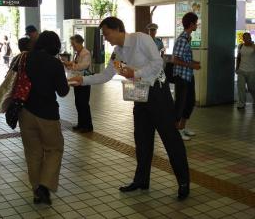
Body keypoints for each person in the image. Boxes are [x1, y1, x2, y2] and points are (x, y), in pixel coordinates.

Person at [69, 17, 190, 200]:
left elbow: (158, 63)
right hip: (139, 96)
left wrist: (136, 73)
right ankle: (141, 179)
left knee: (170, 138)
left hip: (158, 93)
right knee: (142, 140)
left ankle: (183, 182)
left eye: (107, 33)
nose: (106, 38)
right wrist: (84, 80)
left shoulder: (141, 39)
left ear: (118, 29)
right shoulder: (117, 53)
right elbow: (107, 75)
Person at [18, 31, 69, 205]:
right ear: (55, 46)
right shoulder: (55, 63)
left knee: (33, 153)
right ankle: (45, 185)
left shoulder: (24, 58)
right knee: (54, 149)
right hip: (47, 115)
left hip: (25, 112)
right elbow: (63, 91)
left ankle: (36, 192)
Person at [172, 12, 201, 141]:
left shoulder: (187, 38)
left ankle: (182, 128)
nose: (197, 25)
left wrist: (193, 63)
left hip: (188, 76)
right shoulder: (182, 40)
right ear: (191, 24)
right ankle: (176, 130)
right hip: (181, 77)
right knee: (180, 104)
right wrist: (191, 65)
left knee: (189, 102)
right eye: (196, 23)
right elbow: (175, 60)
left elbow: (183, 58)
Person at [63, 34, 93, 133]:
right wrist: (69, 64)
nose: (73, 46)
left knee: (83, 103)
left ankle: (87, 126)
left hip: (84, 81)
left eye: (74, 44)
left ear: (79, 43)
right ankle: (81, 124)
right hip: (77, 81)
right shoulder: (78, 53)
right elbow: (76, 64)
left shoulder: (86, 53)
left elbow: (83, 66)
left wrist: (71, 65)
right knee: (78, 103)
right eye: (72, 44)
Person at [236, 32, 255, 109]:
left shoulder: (253, 47)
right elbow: (239, 57)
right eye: (244, 37)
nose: (246, 39)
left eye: (248, 37)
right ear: (243, 39)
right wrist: (237, 68)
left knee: (252, 88)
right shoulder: (240, 46)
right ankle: (241, 103)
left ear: (250, 38)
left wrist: (252, 44)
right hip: (241, 70)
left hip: (252, 71)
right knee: (241, 88)